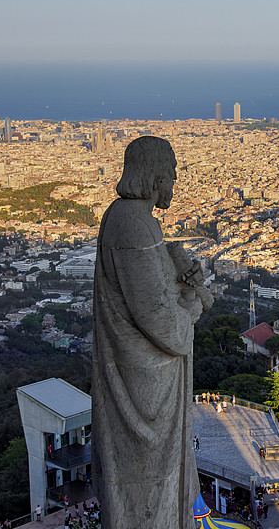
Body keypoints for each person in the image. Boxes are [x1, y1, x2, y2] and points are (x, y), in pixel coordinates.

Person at [92, 136, 212, 529]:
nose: (175, 181)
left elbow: (148, 291)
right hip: (145, 387)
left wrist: (173, 264)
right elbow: (162, 323)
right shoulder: (135, 225)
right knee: (150, 494)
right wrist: (193, 303)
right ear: (155, 175)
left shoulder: (127, 219)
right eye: (172, 172)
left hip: (141, 375)